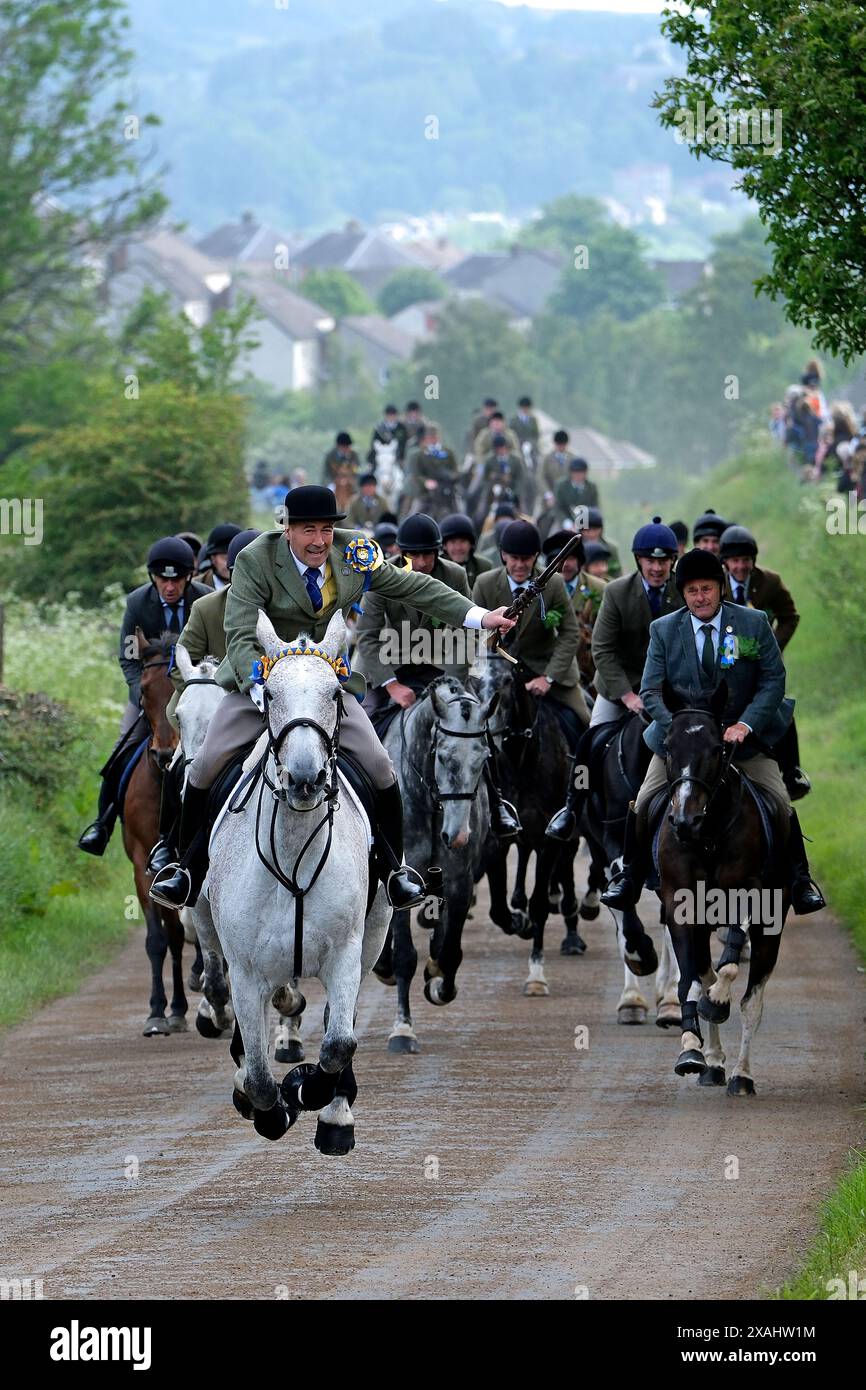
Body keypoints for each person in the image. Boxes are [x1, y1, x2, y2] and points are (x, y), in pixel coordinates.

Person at [149, 486, 515, 912]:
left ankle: (395, 873)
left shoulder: (356, 550)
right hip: (261, 683)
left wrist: (481, 617)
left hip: (325, 686)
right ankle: (185, 868)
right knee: (205, 764)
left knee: (380, 765)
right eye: (309, 530)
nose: (320, 540)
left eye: (326, 529)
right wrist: (263, 692)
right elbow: (240, 632)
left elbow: (412, 587)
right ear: (287, 530)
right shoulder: (255, 559)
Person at [599, 548, 825, 916]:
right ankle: (630, 874)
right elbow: (651, 689)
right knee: (642, 801)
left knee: (781, 802)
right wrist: (680, 729)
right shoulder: (663, 629)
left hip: (743, 739)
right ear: (682, 593)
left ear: (720, 588)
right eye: (691, 591)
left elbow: (773, 681)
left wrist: (745, 724)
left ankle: (800, 880)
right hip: (685, 741)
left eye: (706, 589)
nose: (700, 598)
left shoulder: (753, 623)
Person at [77, 537, 210, 856]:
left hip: (194, 694)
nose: (169, 586)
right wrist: (142, 694)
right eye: (163, 579)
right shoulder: (138, 602)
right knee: (119, 751)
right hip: (149, 693)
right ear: (153, 578)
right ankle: (103, 824)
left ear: (188, 577)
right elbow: (128, 655)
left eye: (176, 579)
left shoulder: (204, 600)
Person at [148, 529, 261, 876]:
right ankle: (169, 845)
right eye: (241, 569)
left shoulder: (282, 608)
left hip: (271, 703)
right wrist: (211, 689)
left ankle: (378, 852)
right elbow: (179, 666)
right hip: (214, 707)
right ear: (229, 570)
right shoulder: (206, 607)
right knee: (182, 764)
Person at [472, 520, 589, 738]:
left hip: (546, 670)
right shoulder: (484, 583)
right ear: (503, 555)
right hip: (498, 674)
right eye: (514, 558)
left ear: (536, 555)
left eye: (526, 559)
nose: (519, 565)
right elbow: (472, 633)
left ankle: (584, 769)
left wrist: (549, 677)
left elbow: (570, 633)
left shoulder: (553, 583)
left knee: (584, 722)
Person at [719, 524, 809, 799]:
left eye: (746, 560)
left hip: (761, 666)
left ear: (753, 560)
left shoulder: (770, 581)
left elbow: (790, 616)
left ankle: (792, 770)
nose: (741, 566)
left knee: (782, 709)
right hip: (724, 663)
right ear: (725, 562)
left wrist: (772, 646)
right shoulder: (715, 584)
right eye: (735, 561)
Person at [439, 512, 493, 589]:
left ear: (471, 544)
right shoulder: (436, 567)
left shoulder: (484, 567)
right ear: (444, 546)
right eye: (453, 542)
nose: (458, 548)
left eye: (463, 541)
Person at [198, 523, 242, 591]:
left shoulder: (253, 586)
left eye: (235, 558)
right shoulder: (195, 587)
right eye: (225, 558)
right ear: (213, 559)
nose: (229, 564)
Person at [581, 506, 621, 577]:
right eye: (587, 530)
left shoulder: (611, 548)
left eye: (595, 530)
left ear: (601, 529)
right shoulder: (575, 548)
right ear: (581, 531)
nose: (591, 534)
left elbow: (617, 572)